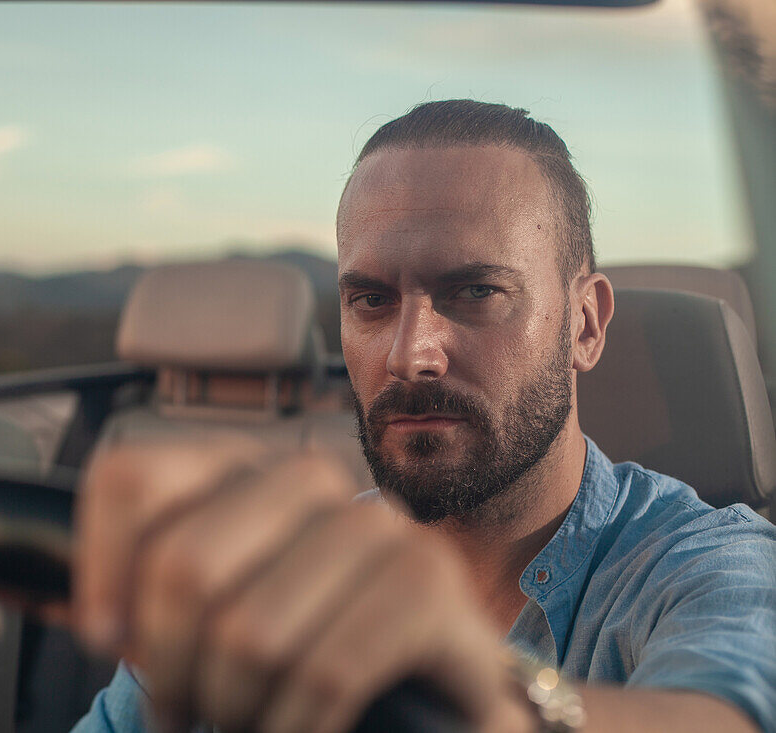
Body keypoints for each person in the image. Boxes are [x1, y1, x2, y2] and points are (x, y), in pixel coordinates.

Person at [67, 100, 776, 733]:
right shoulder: (268, 580)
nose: (411, 355)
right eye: (371, 300)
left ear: (585, 324)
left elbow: (727, 707)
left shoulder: (701, 562)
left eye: (474, 290)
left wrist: (498, 708)